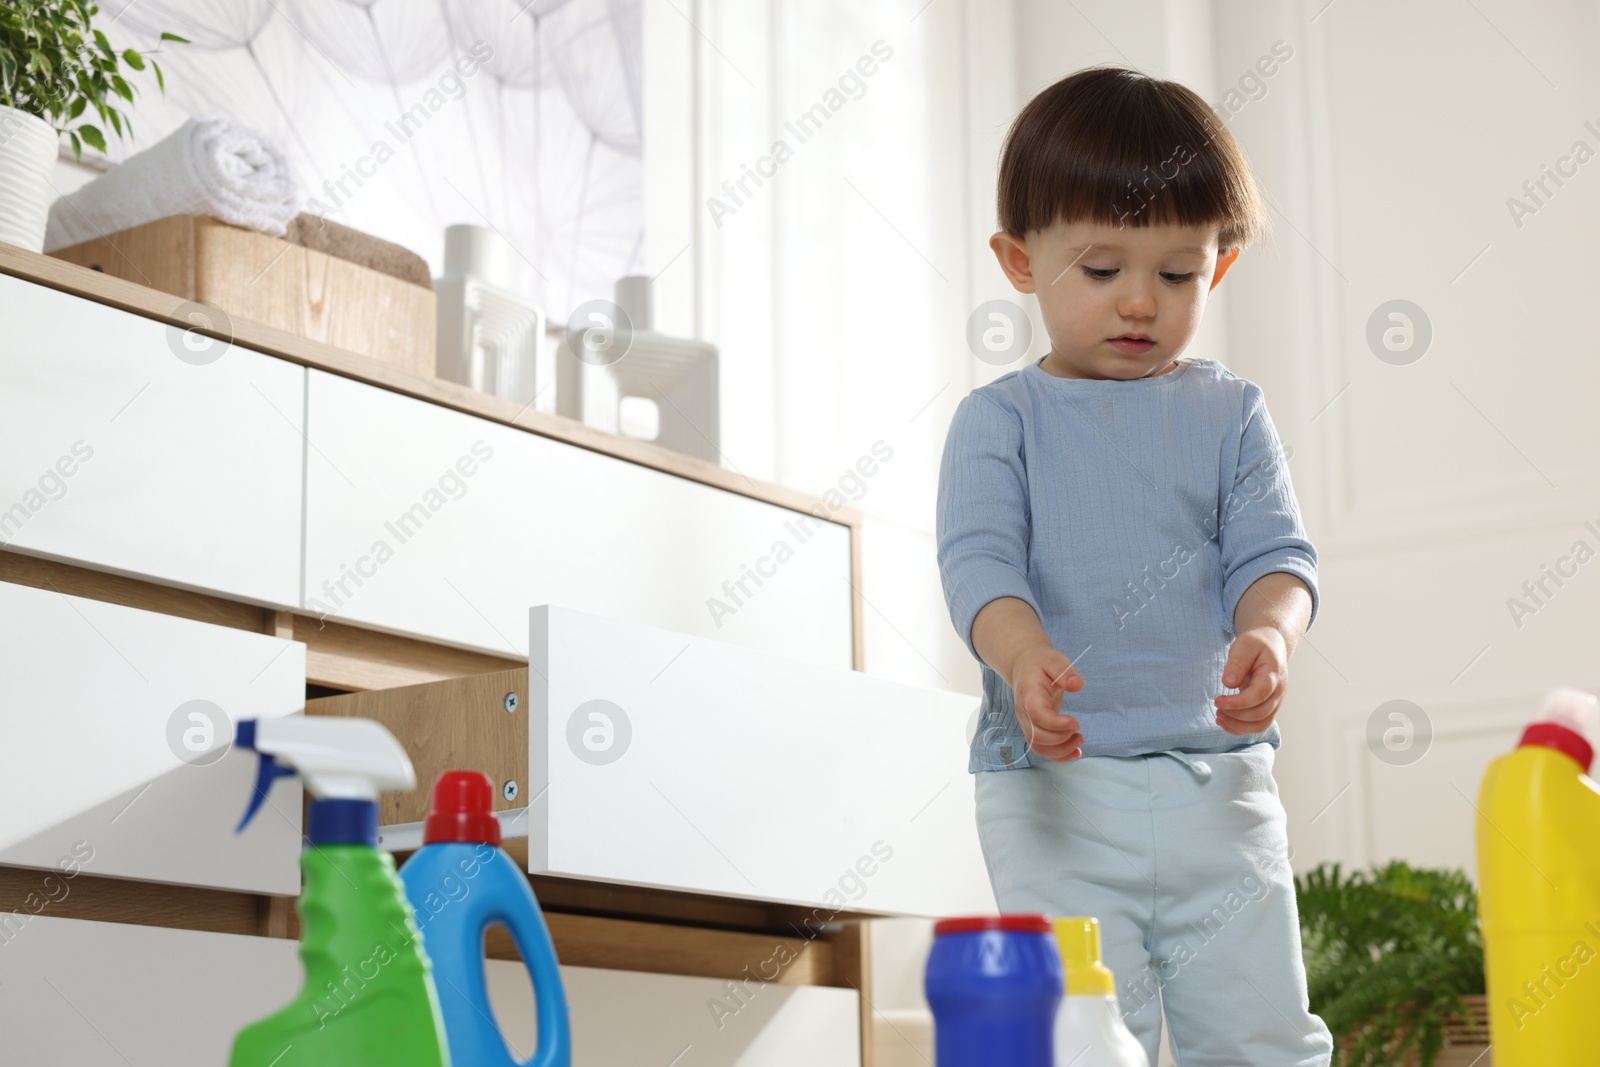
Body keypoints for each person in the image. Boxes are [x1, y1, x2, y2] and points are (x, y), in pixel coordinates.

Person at [936, 64, 1335, 1066]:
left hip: (1220, 787)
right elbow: (979, 563)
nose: (1139, 304)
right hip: (1053, 794)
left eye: (1175, 273)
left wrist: (1269, 630)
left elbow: (1276, 553)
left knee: (1260, 1034)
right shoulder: (999, 422)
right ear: (1020, 260)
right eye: (1102, 268)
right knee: (1075, 1033)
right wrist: (1022, 654)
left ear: (1219, 268)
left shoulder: (1228, 412)